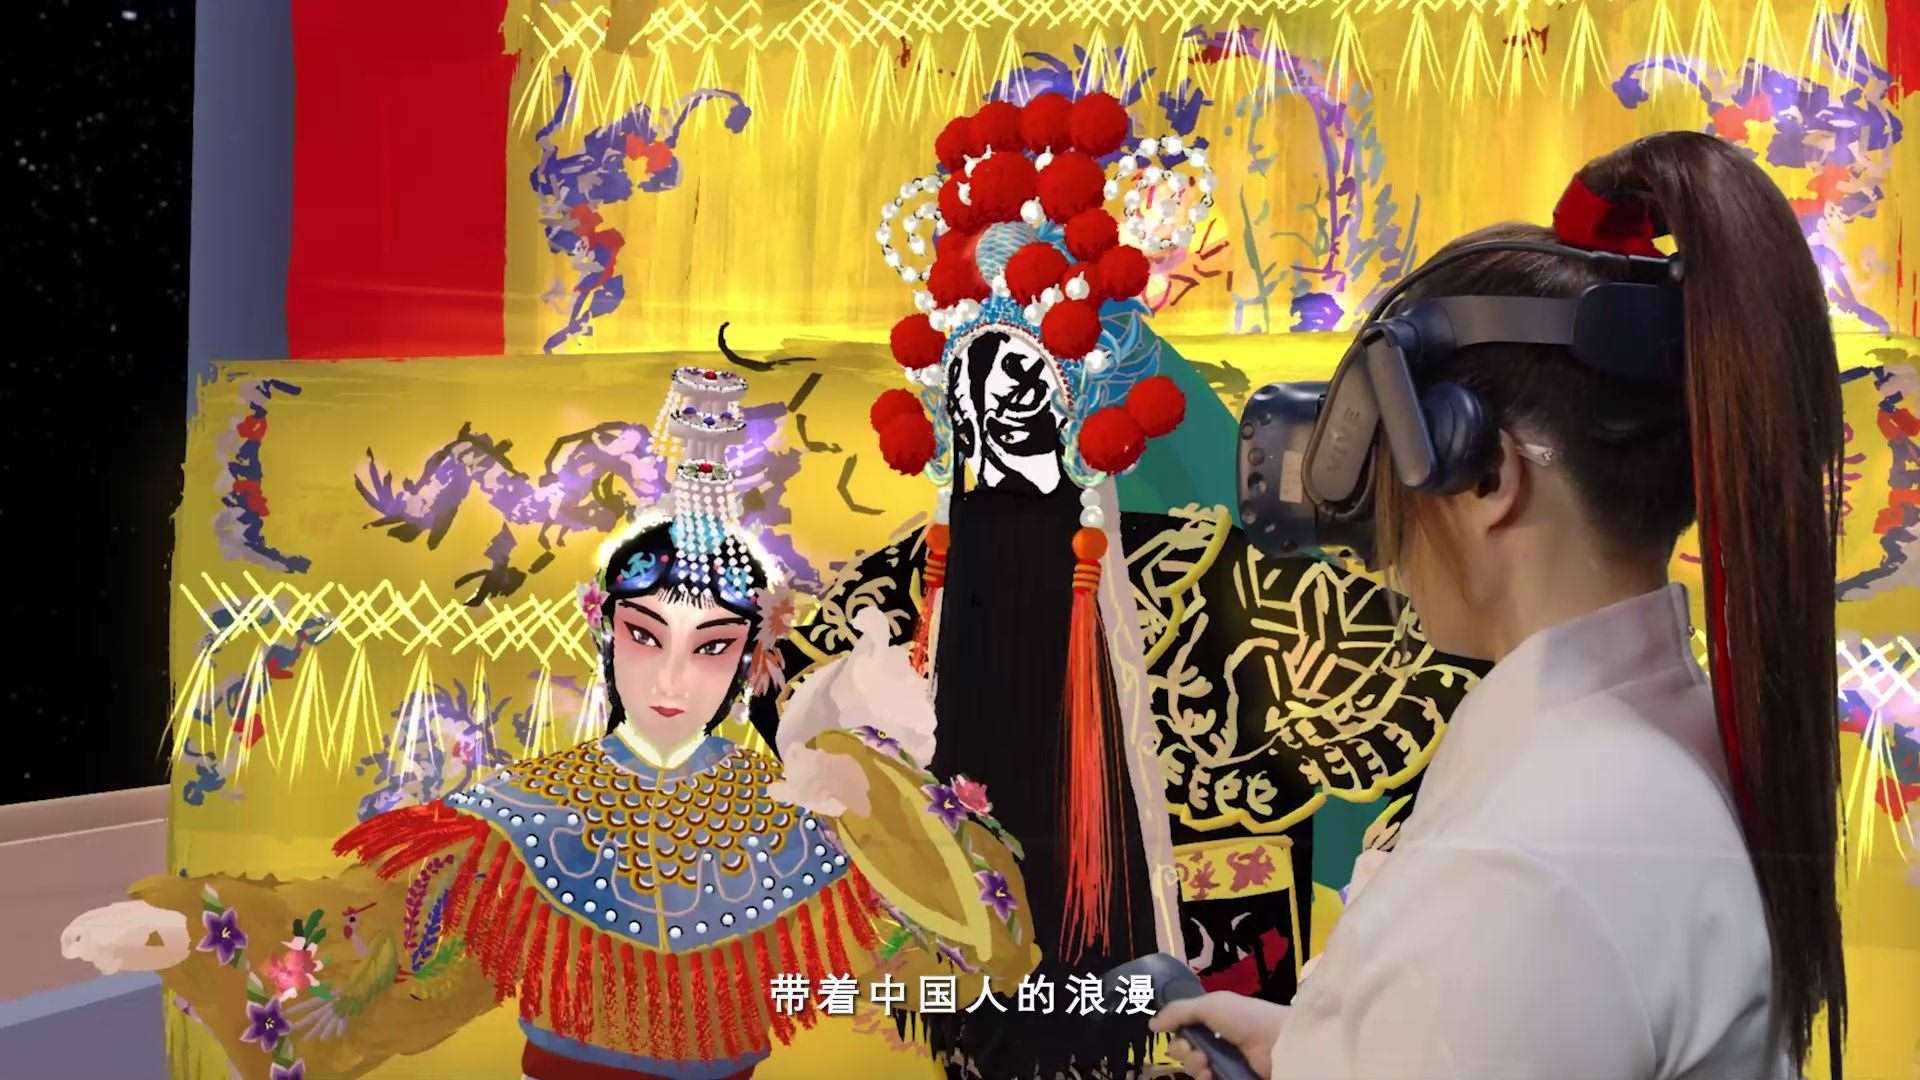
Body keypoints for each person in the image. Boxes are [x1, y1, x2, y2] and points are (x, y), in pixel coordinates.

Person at [762, 93, 1477, 1080]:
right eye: (972, 392)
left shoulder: (1208, 583)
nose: (997, 417)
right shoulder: (894, 594)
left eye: (1026, 390)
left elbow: (1433, 671)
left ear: (1082, 410)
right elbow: (789, 718)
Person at [61, 368, 1039, 1080]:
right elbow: (370, 928)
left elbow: (978, 953)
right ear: (605, 632)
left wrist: (871, 793)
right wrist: (183, 927)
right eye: (647, 636)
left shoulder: (794, 813)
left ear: (754, 657)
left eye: (711, 648)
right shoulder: (528, 812)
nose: (673, 677)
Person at [1151, 131, 1848, 1079]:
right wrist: (1318, 1050)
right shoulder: (1647, 748)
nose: (1379, 532)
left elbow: (1514, 966)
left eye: (1387, 476)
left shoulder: (1525, 869)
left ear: (1486, 477)